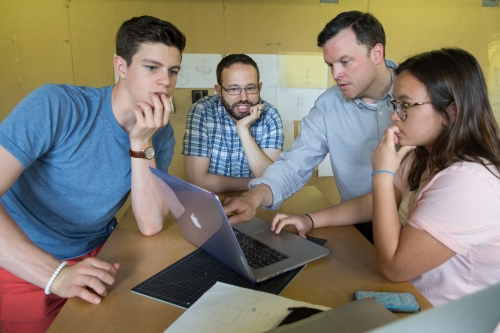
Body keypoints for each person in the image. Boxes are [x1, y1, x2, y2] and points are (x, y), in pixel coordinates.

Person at [271, 48, 500, 312]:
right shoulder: (425, 156)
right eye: (394, 104)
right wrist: (309, 220)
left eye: (405, 105)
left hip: (445, 317)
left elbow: (394, 266)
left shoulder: (468, 183)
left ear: (451, 112)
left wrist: (381, 173)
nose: (395, 116)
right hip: (410, 298)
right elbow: (374, 203)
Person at [0, 16, 186, 332]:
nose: (165, 82)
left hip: (97, 253)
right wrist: (54, 275)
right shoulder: (56, 105)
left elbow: (151, 223)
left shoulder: (159, 133)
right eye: (151, 68)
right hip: (24, 259)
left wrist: (141, 143)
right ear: (121, 66)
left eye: (173, 71)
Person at [223, 11, 396, 242]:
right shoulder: (328, 106)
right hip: (358, 225)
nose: (336, 74)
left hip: (419, 226)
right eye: (330, 65)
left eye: (345, 62)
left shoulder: (418, 93)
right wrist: (253, 197)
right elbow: (294, 164)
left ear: (376, 53)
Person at [182, 54, 283, 193]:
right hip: (213, 204)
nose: (243, 98)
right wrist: (256, 182)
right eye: (233, 89)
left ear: (259, 87)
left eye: (250, 88)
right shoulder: (202, 111)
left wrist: (243, 129)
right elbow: (197, 182)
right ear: (219, 90)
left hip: (257, 203)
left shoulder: (270, 115)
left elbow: (272, 179)